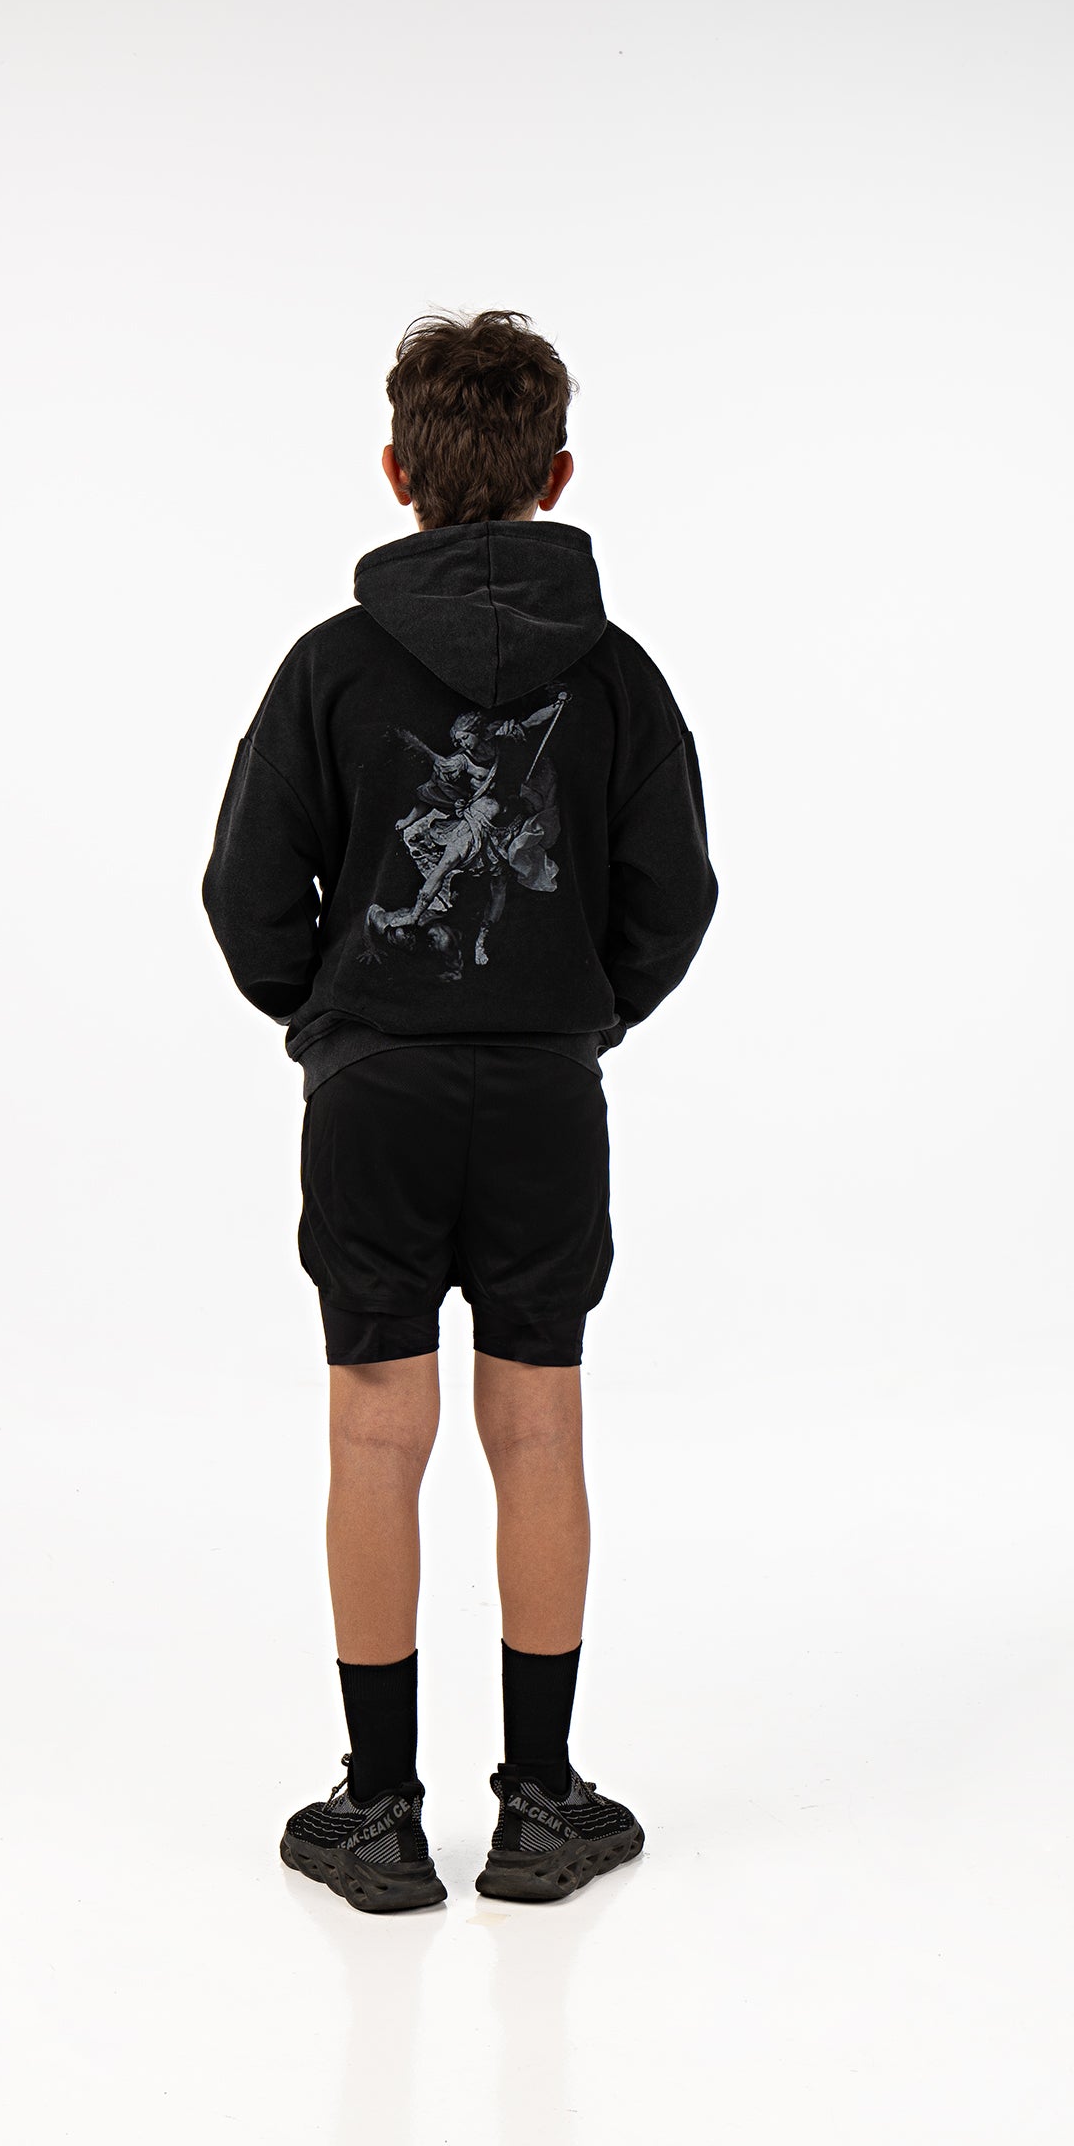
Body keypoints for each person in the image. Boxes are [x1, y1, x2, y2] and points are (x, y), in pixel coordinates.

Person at [201, 309, 719, 1913]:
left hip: (375, 1093)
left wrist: (336, 1019)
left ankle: (379, 1810)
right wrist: (578, 1010)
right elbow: (674, 894)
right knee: (540, 1421)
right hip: (547, 1091)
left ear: (395, 472)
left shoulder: (329, 667)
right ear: (558, 475)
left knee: (375, 1423)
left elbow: (245, 890)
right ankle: (543, 1803)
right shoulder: (618, 675)